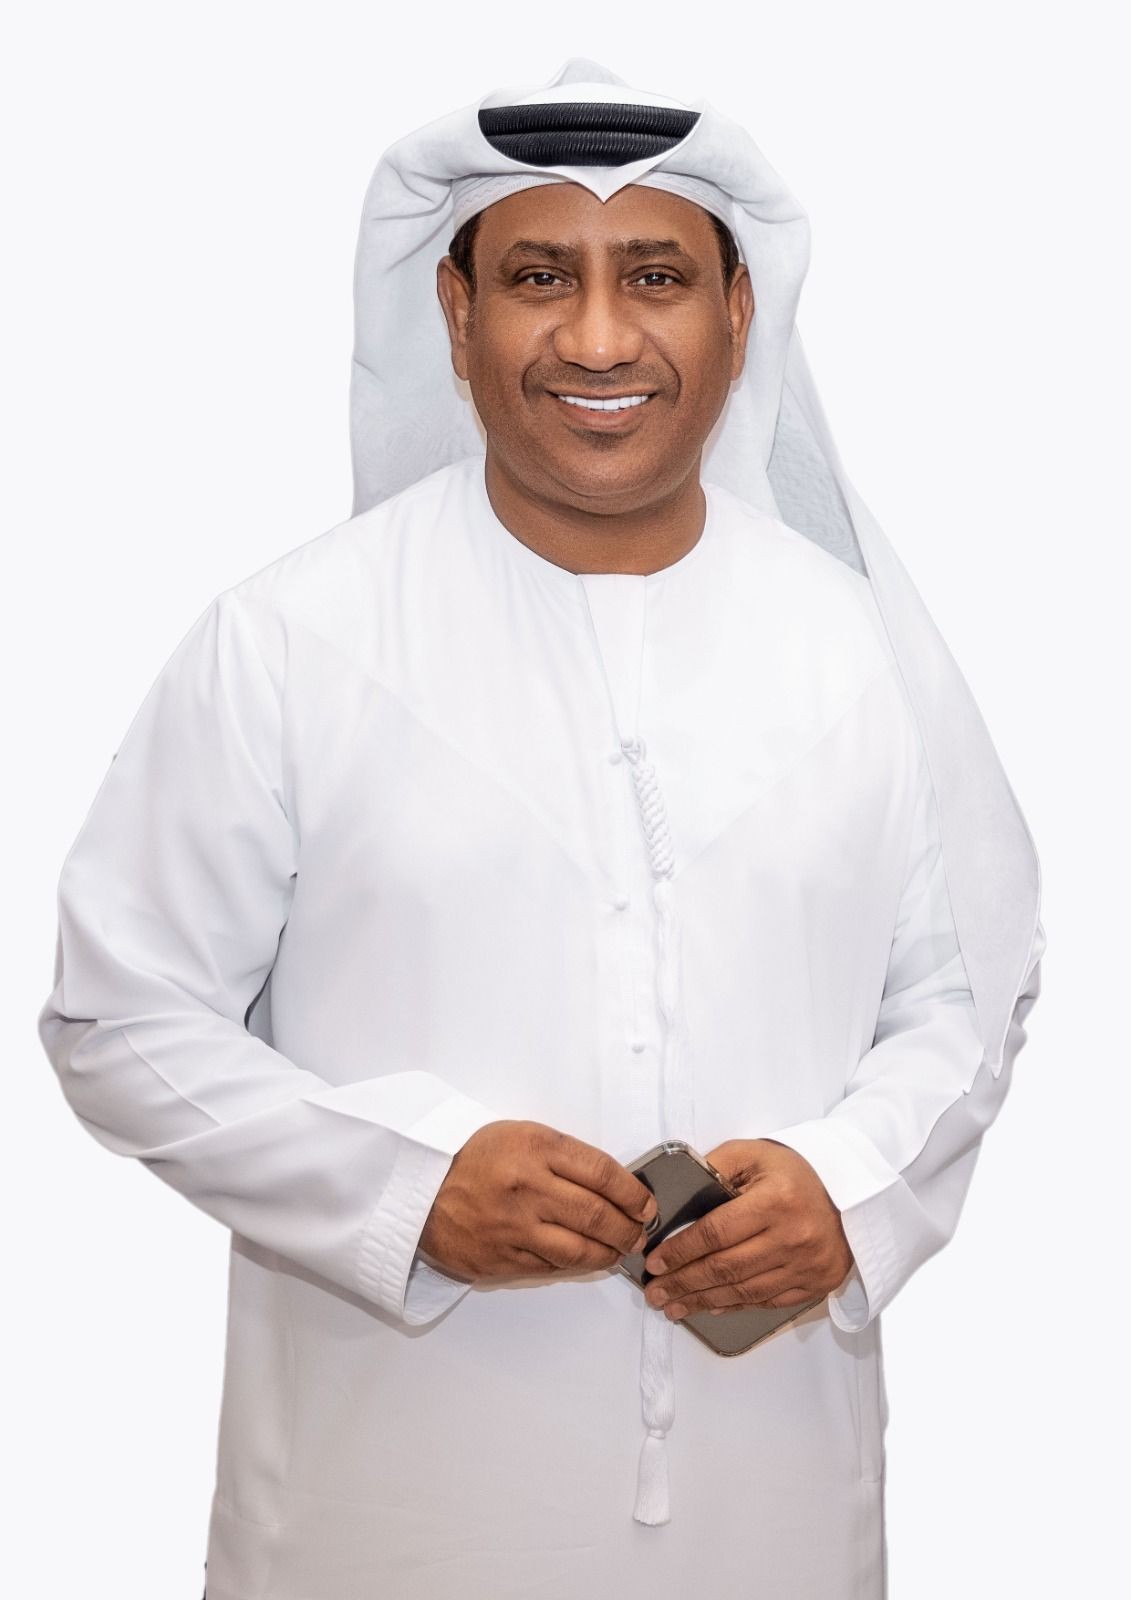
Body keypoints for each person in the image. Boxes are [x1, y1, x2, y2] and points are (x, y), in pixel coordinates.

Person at [37, 56, 1046, 1600]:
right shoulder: (289, 641)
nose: (597, 337)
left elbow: (968, 992)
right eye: (537, 277)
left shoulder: (861, 652)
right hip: (373, 1532)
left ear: (738, 315)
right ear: (455, 315)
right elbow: (119, 1017)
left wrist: (847, 1184)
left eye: (655, 275)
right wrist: (406, 1185)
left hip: (773, 1524)